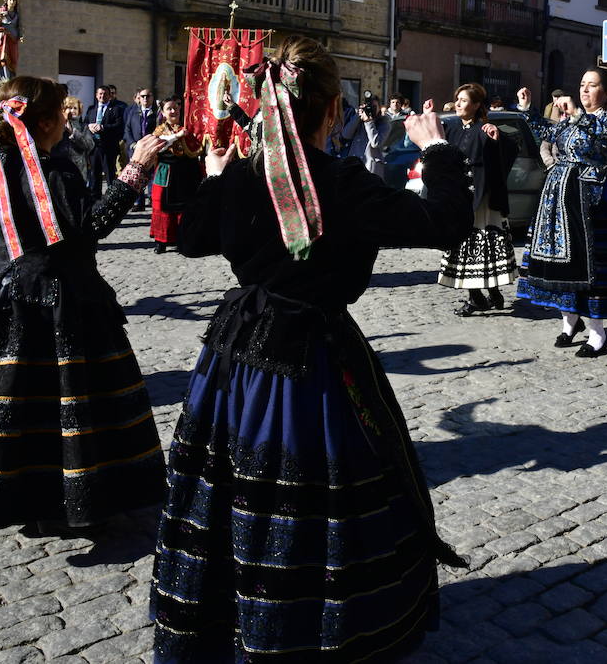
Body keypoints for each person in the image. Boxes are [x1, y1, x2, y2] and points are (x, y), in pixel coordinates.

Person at [149, 37, 473, 663]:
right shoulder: (344, 182)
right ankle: (309, 626)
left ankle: (228, 615)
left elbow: (186, 235)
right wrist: (435, 145)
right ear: (331, 113)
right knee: (319, 494)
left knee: (227, 488)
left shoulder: (245, 176)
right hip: (314, 360)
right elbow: (445, 222)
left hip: (237, 354)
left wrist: (208, 172)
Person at [0, 75, 167, 533]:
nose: (67, 119)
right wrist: (135, 168)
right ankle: (71, 499)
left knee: (21, 406)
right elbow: (88, 226)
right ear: (43, 122)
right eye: (61, 113)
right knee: (65, 404)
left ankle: (27, 498)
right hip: (57, 299)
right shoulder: (51, 172)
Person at [515, 70, 607, 358]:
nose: (585, 89)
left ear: (605, 92)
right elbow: (547, 133)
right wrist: (527, 109)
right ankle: (570, 321)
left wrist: (578, 115)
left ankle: (597, 332)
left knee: (593, 267)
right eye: (582, 84)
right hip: (561, 199)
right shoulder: (569, 120)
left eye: (592, 85)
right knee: (564, 265)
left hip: (596, 201)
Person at [438, 83, 517, 315]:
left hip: (481, 200)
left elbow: (509, 147)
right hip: (461, 199)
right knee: (465, 247)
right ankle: (490, 294)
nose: (459, 104)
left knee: (479, 248)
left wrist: (497, 136)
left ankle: (479, 298)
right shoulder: (453, 129)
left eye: (464, 100)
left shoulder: (484, 128)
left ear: (476, 105)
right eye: (458, 99)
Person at [150, 97, 204, 254]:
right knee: (161, 206)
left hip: (185, 173)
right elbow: (159, 145)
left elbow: (196, 148)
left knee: (185, 207)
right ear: (163, 112)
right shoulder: (160, 130)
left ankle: (182, 240)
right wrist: (177, 136)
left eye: (176, 108)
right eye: (169, 108)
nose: (173, 111)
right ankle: (161, 241)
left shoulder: (187, 128)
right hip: (165, 172)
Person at [84, 85, 123, 194]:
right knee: (95, 175)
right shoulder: (91, 109)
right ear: (96, 95)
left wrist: (103, 127)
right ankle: (96, 200)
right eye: (100, 93)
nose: (102, 96)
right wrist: (89, 126)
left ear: (110, 95)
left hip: (108, 148)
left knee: (109, 175)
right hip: (94, 147)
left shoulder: (116, 109)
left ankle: (111, 198)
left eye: (105, 93)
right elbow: (85, 123)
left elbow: (119, 126)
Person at [125, 88, 160, 209]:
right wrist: (132, 144)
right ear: (139, 98)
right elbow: (127, 129)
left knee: (150, 176)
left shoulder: (157, 114)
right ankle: (139, 203)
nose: (145, 98)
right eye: (143, 96)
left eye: (148, 96)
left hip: (151, 149)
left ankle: (151, 199)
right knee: (137, 176)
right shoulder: (133, 112)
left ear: (152, 97)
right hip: (135, 150)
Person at [55, 95, 95, 190]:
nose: (72, 110)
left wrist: (73, 133)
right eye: (69, 107)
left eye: (75, 108)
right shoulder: (57, 125)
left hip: (79, 167)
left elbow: (89, 145)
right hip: (61, 166)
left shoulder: (83, 127)